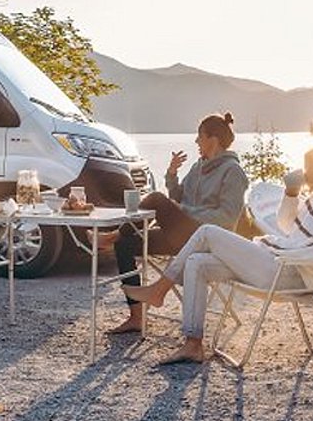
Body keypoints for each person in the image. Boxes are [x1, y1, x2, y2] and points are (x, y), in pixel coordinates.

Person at [123, 138, 313, 364]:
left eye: (309, 169)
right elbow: (286, 226)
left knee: (207, 232)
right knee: (197, 262)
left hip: (292, 274)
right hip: (273, 263)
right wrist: (291, 194)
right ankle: (193, 343)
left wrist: (278, 251)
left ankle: (159, 290)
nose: (305, 174)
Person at [104, 112, 249, 334]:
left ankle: (113, 233)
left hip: (209, 241)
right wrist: (172, 174)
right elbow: (178, 198)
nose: (196, 142)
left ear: (213, 139)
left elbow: (227, 218)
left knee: (155, 199)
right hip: (182, 236)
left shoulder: (233, 172)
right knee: (126, 243)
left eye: (199, 137)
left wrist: (185, 211)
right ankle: (136, 317)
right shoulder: (197, 168)